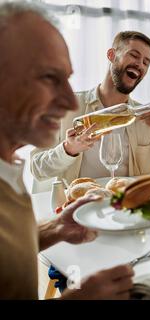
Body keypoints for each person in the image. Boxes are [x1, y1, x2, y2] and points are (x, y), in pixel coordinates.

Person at [0, 2, 134, 299]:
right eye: (49, 78)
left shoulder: (8, 170)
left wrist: (55, 229)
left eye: (67, 79)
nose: (70, 104)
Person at [30, 30, 150, 183]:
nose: (140, 64)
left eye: (146, 62)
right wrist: (68, 149)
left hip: (131, 203)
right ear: (111, 55)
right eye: (134, 55)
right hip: (81, 203)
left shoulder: (147, 118)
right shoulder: (65, 106)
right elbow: (37, 168)